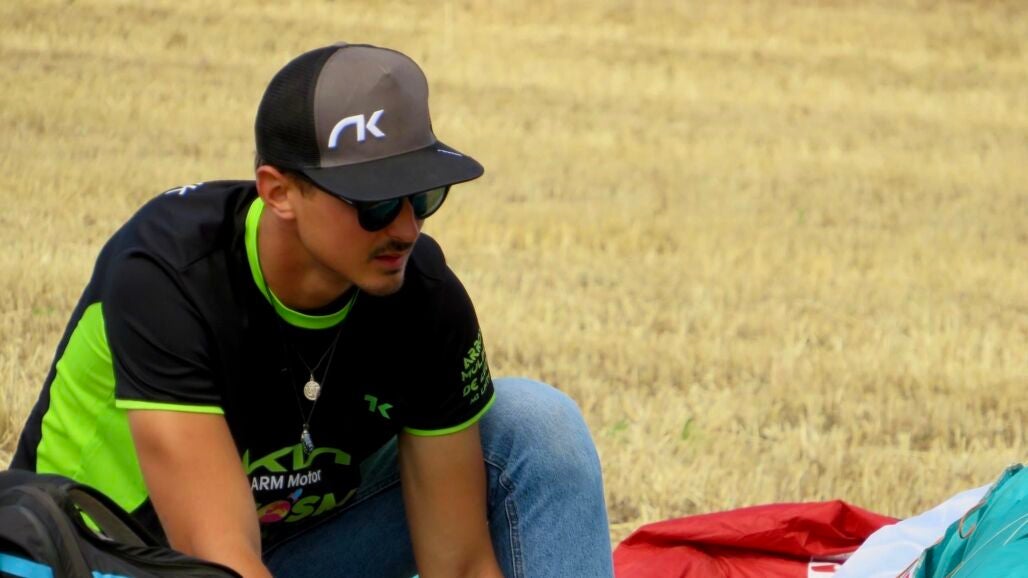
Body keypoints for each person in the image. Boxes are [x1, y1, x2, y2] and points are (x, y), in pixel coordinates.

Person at [9, 42, 613, 577]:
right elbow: (218, 559)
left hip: (287, 549)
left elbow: (457, 565)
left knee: (534, 424)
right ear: (279, 192)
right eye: (376, 203)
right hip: (120, 561)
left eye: (424, 195)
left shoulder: (424, 296)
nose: (407, 228)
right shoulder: (169, 272)